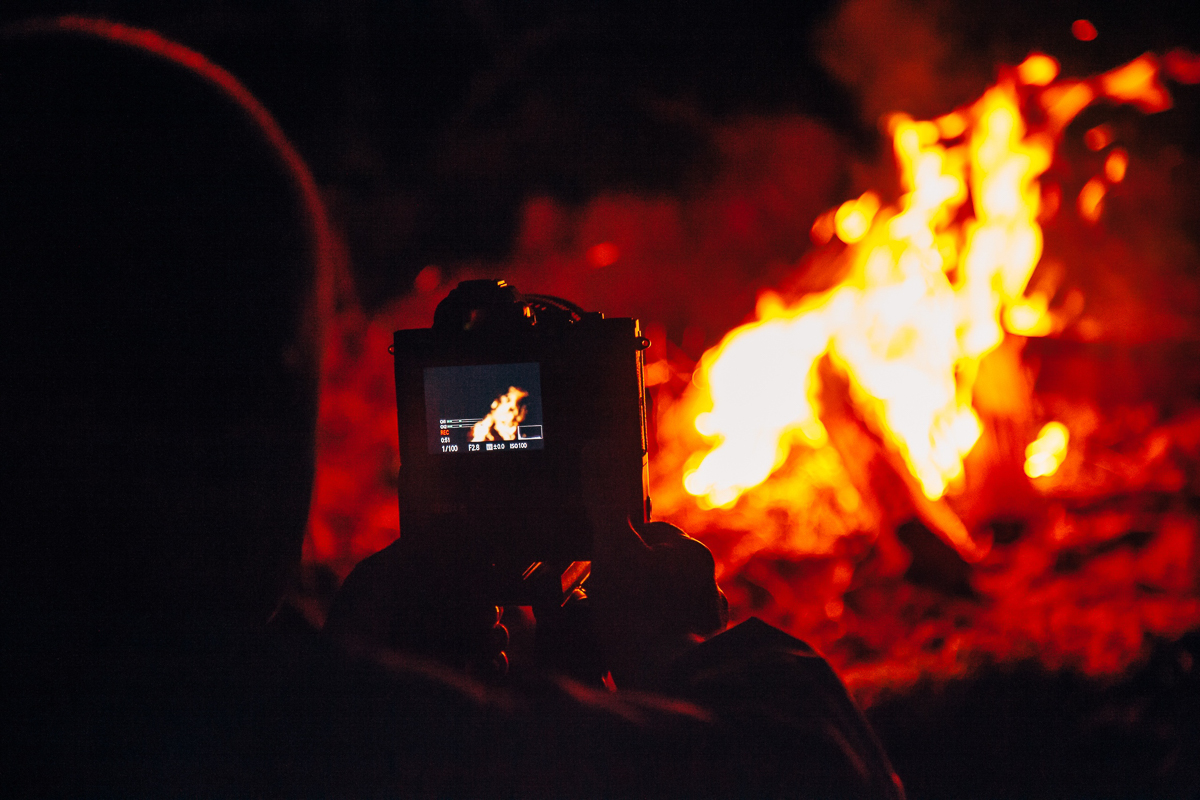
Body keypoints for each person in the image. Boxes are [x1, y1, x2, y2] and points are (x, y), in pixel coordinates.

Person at [1, 18, 903, 798]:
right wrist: (684, 648)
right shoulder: (299, 738)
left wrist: (359, 659)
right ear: (250, 417)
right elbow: (816, 778)